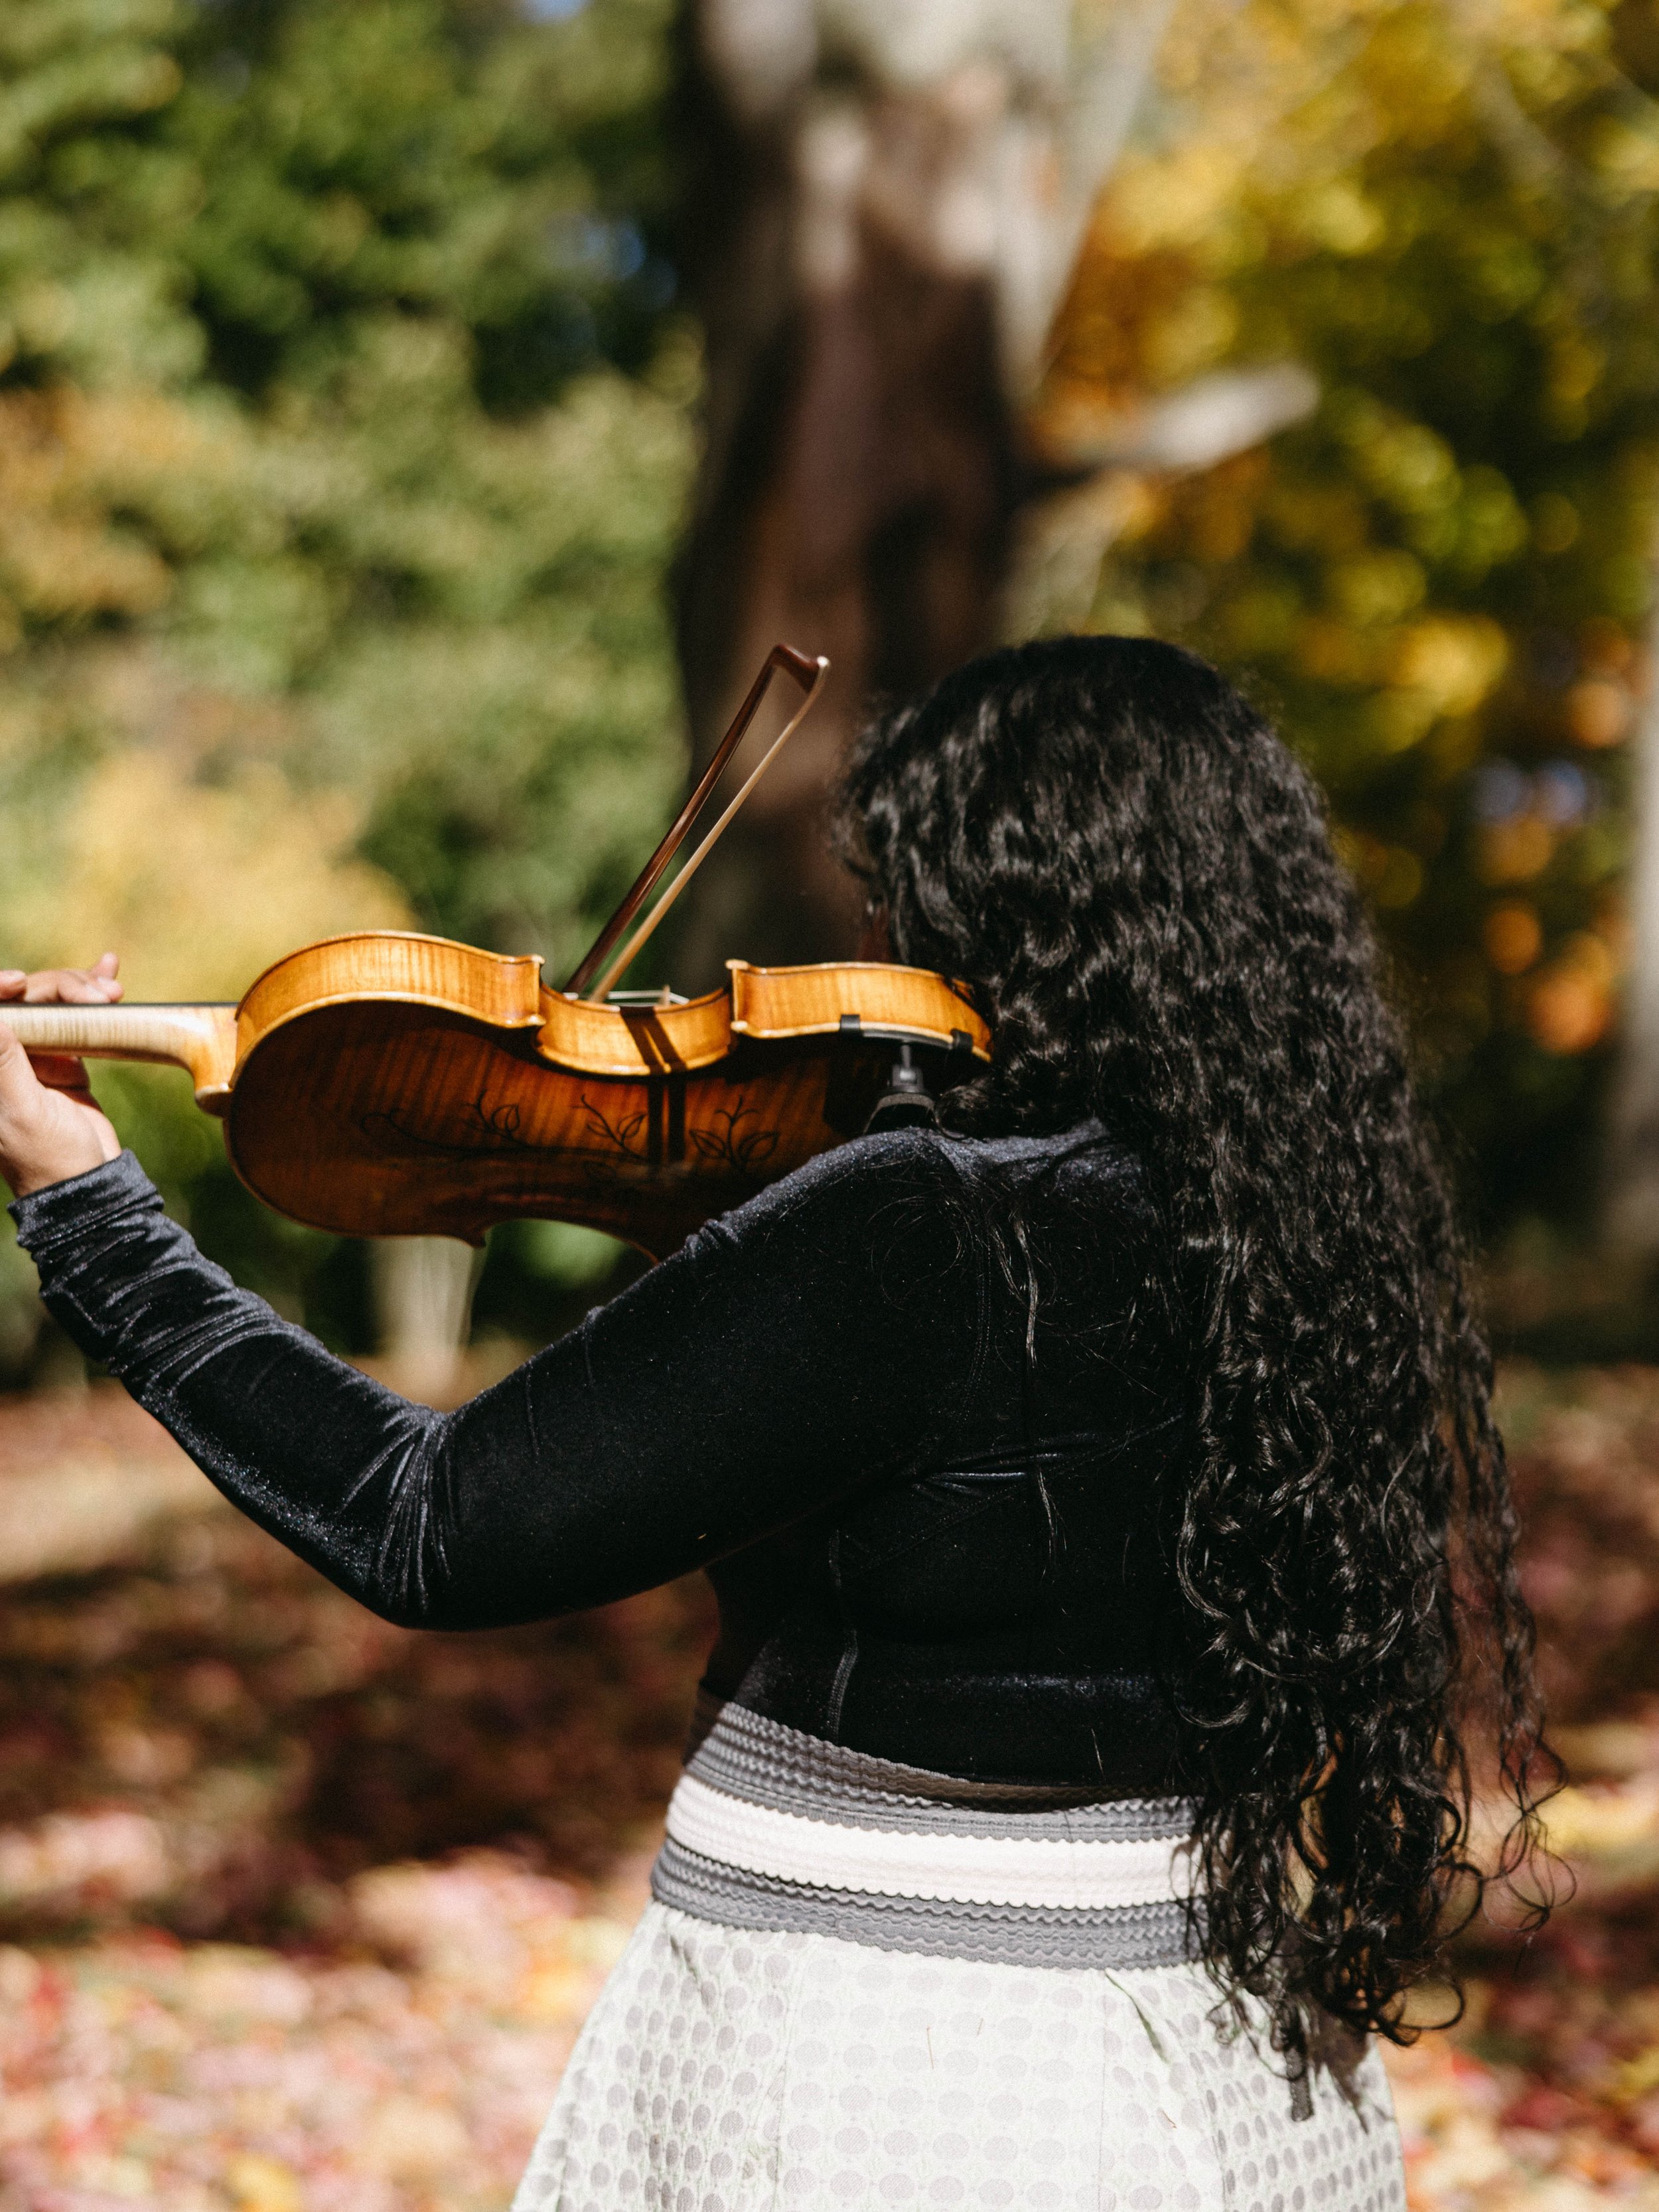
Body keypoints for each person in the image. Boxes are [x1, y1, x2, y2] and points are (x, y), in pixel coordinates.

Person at [0, 636, 1546, 2212]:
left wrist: (88, 1205)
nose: (875, 935)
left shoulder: (919, 1228)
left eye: (905, 887)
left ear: (1003, 902)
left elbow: (426, 1518)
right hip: (1225, 2063)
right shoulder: (1297, 1226)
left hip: (888, 2075)